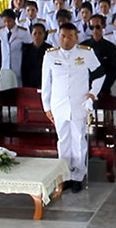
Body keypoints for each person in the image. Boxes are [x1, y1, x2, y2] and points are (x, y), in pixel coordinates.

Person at [41, 23, 105, 193]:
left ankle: (78, 176)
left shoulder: (85, 53)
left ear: (76, 37)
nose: (66, 40)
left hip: (79, 104)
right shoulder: (50, 55)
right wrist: (46, 106)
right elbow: (45, 83)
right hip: (59, 105)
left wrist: (92, 94)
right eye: (63, 36)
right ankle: (65, 175)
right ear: (58, 36)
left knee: (78, 140)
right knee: (63, 141)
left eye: (70, 36)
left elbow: (100, 74)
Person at [79, 14, 116, 96]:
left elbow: (113, 71)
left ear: (103, 26)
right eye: (92, 27)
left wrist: (103, 88)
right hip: (85, 90)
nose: (94, 30)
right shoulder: (82, 47)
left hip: (104, 89)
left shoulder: (110, 47)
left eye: (97, 27)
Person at [0, 8, 32, 86]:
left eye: (9, 21)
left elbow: (29, 49)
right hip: (4, 66)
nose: (7, 24)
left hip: (18, 66)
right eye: (5, 21)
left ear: (14, 20)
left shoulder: (23, 32)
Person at [21, 23, 52, 88]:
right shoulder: (26, 49)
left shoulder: (50, 49)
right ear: (31, 35)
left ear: (44, 34)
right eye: (35, 33)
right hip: (30, 83)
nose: (37, 36)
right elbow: (24, 69)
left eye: (40, 33)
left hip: (45, 83)